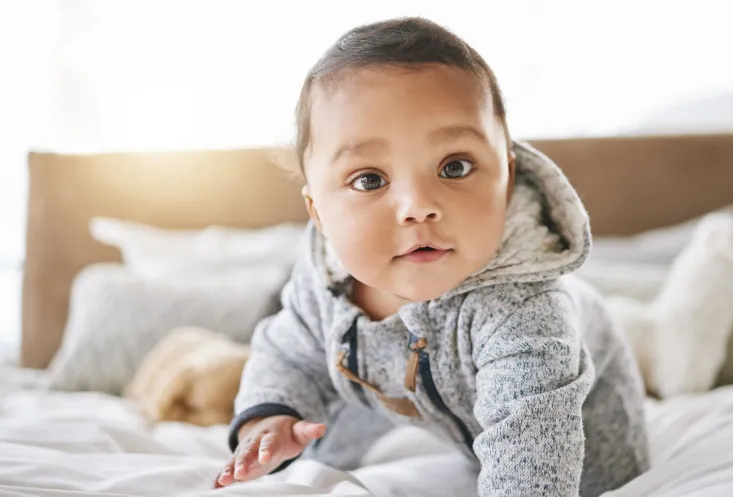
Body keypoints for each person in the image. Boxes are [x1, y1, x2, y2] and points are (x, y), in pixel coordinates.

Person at [215, 17, 649, 497]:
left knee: (596, 480)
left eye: (454, 166)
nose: (417, 205)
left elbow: (531, 451)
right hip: (414, 394)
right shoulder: (326, 276)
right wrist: (270, 416)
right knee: (321, 438)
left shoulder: (524, 315)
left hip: (575, 439)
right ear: (318, 212)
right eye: (369, 180)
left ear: (506, 179)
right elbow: (288, 351)